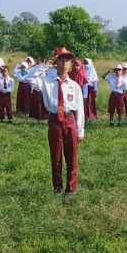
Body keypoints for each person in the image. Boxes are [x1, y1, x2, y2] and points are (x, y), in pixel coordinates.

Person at [22, 47, 85, 196]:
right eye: (61, 60)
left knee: (72, 156)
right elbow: (29, 78)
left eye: (67, 61)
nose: (64, 64)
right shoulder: (46, 81)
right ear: (56, 62)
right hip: (55, 120)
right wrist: (44, 65)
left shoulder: (74, 86)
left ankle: (71, 188)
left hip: (70, 120)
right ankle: (58, 188)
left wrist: (80, 130)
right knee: (55, 157)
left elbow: (80, 110)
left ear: (71, 64)